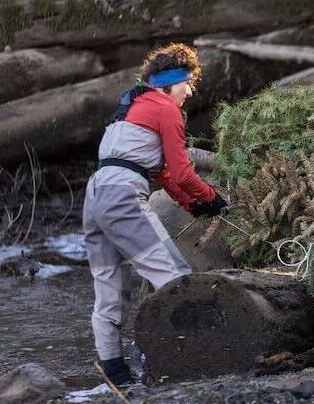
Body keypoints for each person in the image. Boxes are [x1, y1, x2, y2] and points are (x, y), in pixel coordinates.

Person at [82, 43, 226, 386]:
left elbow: (164, 176)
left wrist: (193, 206)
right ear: (170, 82)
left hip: (95, 194)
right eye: (187, 84)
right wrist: (213, 198)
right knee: (174, 277)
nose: (190, 92)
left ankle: (116, 375)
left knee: (110, 293)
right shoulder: (166, 109)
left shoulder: (134, 106)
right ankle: (188, 360)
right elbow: (183, 173)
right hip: (123, 196)